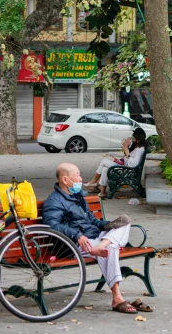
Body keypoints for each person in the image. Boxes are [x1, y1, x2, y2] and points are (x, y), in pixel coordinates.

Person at [43, 162, 151, 314]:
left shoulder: (78, 196)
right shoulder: (54, 201)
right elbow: (51, 225)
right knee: (111, 248)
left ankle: (102, 245)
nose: (81, 179)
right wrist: (77, 235)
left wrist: (110, 225)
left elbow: (92, 221)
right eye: (77, 175)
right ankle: (117, 298)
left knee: (124, 221)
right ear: (65, 180)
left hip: (95, 239)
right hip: (77, 243)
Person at [85, 127, 148, 197]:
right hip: (125, 167)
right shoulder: (137, 148)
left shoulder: (140, 150)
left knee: (104, 162)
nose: (132, 139)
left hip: (127, 170)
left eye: (133, 138)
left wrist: (127, 152)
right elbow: (128, 158)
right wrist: (126, 147)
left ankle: (94, 182)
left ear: (138, 139)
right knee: (105, 169)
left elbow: (133, 164)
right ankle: (103, 192)